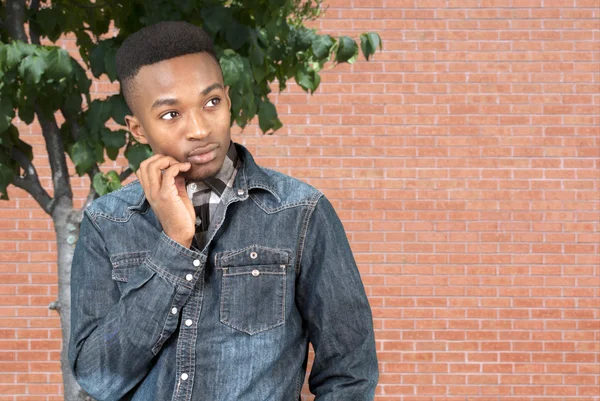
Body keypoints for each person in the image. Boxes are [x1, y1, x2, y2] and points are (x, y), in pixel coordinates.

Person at [68, 21, 378, 401]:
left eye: (211, 102)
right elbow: (97, 377)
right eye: (171, 115)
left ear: (228, 100)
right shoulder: (108, 223)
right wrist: (174, 247)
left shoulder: (300, 212)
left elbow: (350, 372)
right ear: (136, 128)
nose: (199, 129)